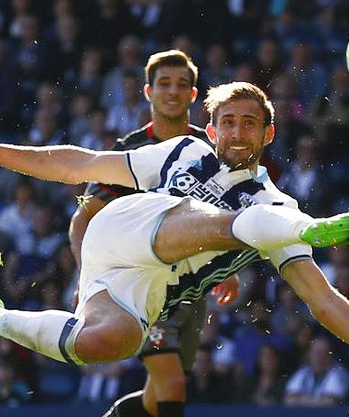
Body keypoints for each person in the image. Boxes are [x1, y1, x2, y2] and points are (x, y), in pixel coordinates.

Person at [0, 82, 349, 407]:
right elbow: (81, 164)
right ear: (211, 130)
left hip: (138, 286)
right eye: (227, 122)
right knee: (232, 221)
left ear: (268, 135)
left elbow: (323, 301)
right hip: (123, 228)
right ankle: (318, 230)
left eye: (249, 124)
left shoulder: (275, 203)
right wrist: (1, 152)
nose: (237, 132)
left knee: (106, 345)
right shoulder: (184, 153)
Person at [70, 50, 240, 417]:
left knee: (158, 395)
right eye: (164, 84)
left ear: (195, 95)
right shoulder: (131, 150)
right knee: (172, 385)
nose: (173, 92)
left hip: (191, 287)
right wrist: (89, 282)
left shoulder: (207, 151)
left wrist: (231, 267)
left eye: (183, 85)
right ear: (148, 92)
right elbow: (81, 219)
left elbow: (219, 216)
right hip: (142, 286)